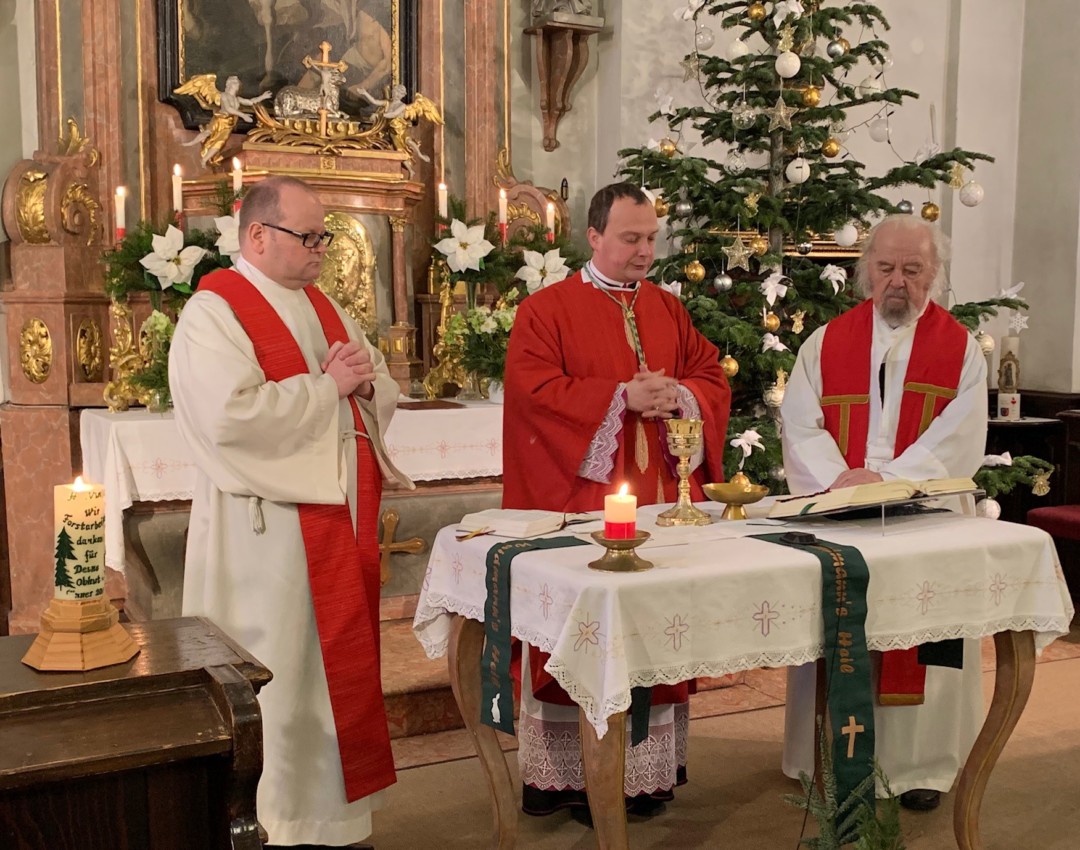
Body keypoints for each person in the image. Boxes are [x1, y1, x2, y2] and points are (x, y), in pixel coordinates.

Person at [170, 175, 412, 848]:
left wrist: (363, 384)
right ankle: (271, 822)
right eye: (308, 238)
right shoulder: (214, 313)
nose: (321, 251)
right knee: (278, 683)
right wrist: (325, 388)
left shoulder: (326, 304)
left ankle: (330, 820)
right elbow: (229, 418)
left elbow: (375, 383)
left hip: (330, 528)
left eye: (323, 237)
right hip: (267, 542)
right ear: (257, 236)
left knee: (322, 680)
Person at [502, 182, 732, 822]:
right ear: (594, 236)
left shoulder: (668, 308)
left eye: (651, 238)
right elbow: (532, 393)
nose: (644, 251)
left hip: (659, 499)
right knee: (576, 638)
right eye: (630, 238)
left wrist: (680, 397)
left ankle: (644, 776)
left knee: (652, 631)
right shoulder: (547, 310)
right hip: (581, 504)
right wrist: (618, 399)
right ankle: (566, 779)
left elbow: (708, 377)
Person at [779, 214, 988, 811]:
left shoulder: (961, 350)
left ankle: (923, 767)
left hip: (925, 518)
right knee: (843, 631)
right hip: (843, 512)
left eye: (912, 269)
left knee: (926, 639)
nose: (897, 281)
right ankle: (825, 757)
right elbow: (800, 423)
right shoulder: (826, 342)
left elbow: (960, 433)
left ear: (935, 275)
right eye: (886, 266)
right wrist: (846, 483)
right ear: (864, 269)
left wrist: (887, 481)